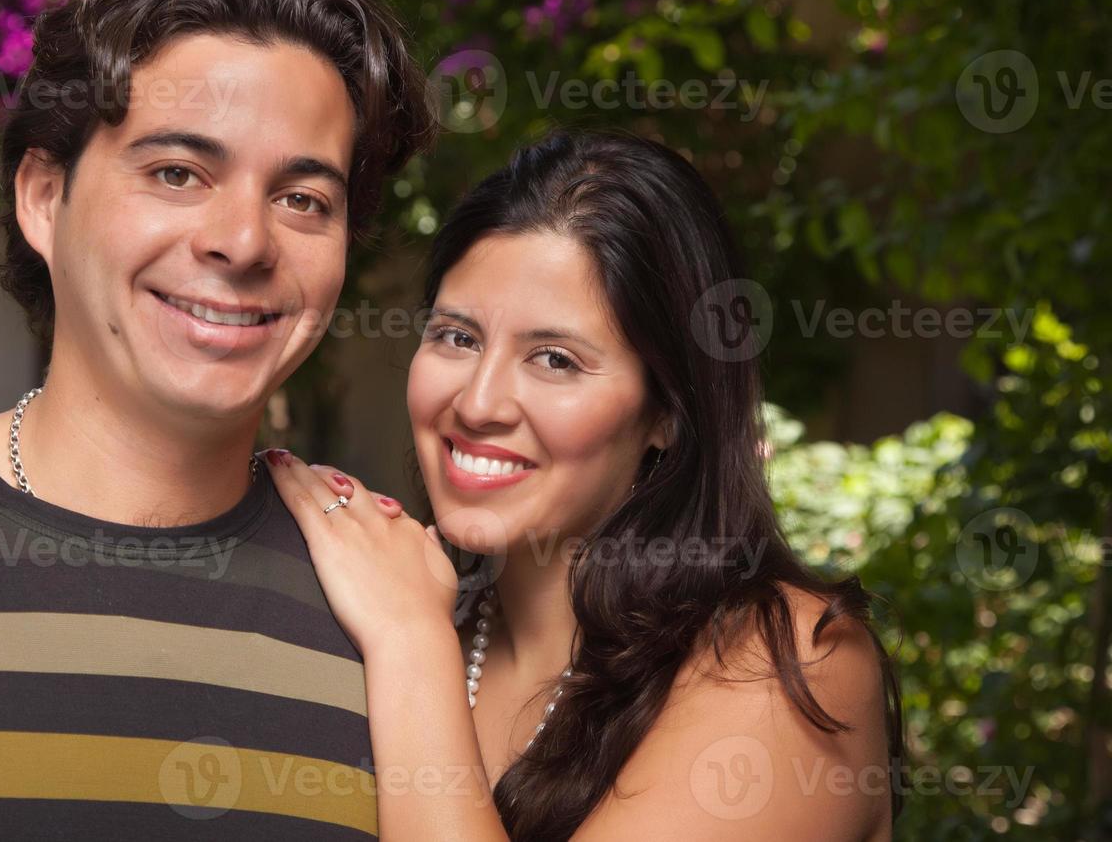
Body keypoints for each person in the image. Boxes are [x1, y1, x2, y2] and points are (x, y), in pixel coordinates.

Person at [0, 0, 432, 838]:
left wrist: (415, 644)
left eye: (303, 200)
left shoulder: (392, 614)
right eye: (178, 172)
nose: (243, 241)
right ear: (44, 199)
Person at [266, 128, 905, 841]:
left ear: (667, 410)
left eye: (555, 359)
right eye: (457, 337)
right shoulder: (417, 622)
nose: (478, 404)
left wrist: (409, 643)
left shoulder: (793, 658)